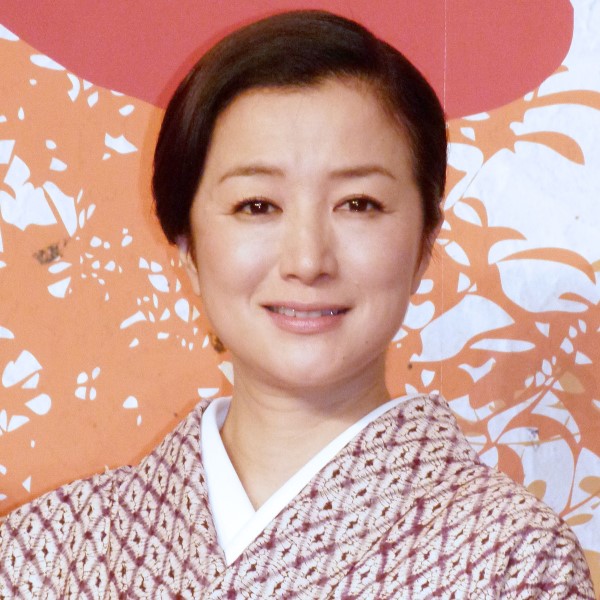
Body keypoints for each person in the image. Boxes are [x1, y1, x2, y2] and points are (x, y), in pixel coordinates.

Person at [0, 10, 595, 599]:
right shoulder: (42, 557)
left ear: (423, 244)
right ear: (188, 248)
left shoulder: (514, 563)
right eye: (257, 206)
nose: (308, 260)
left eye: (358, 204)